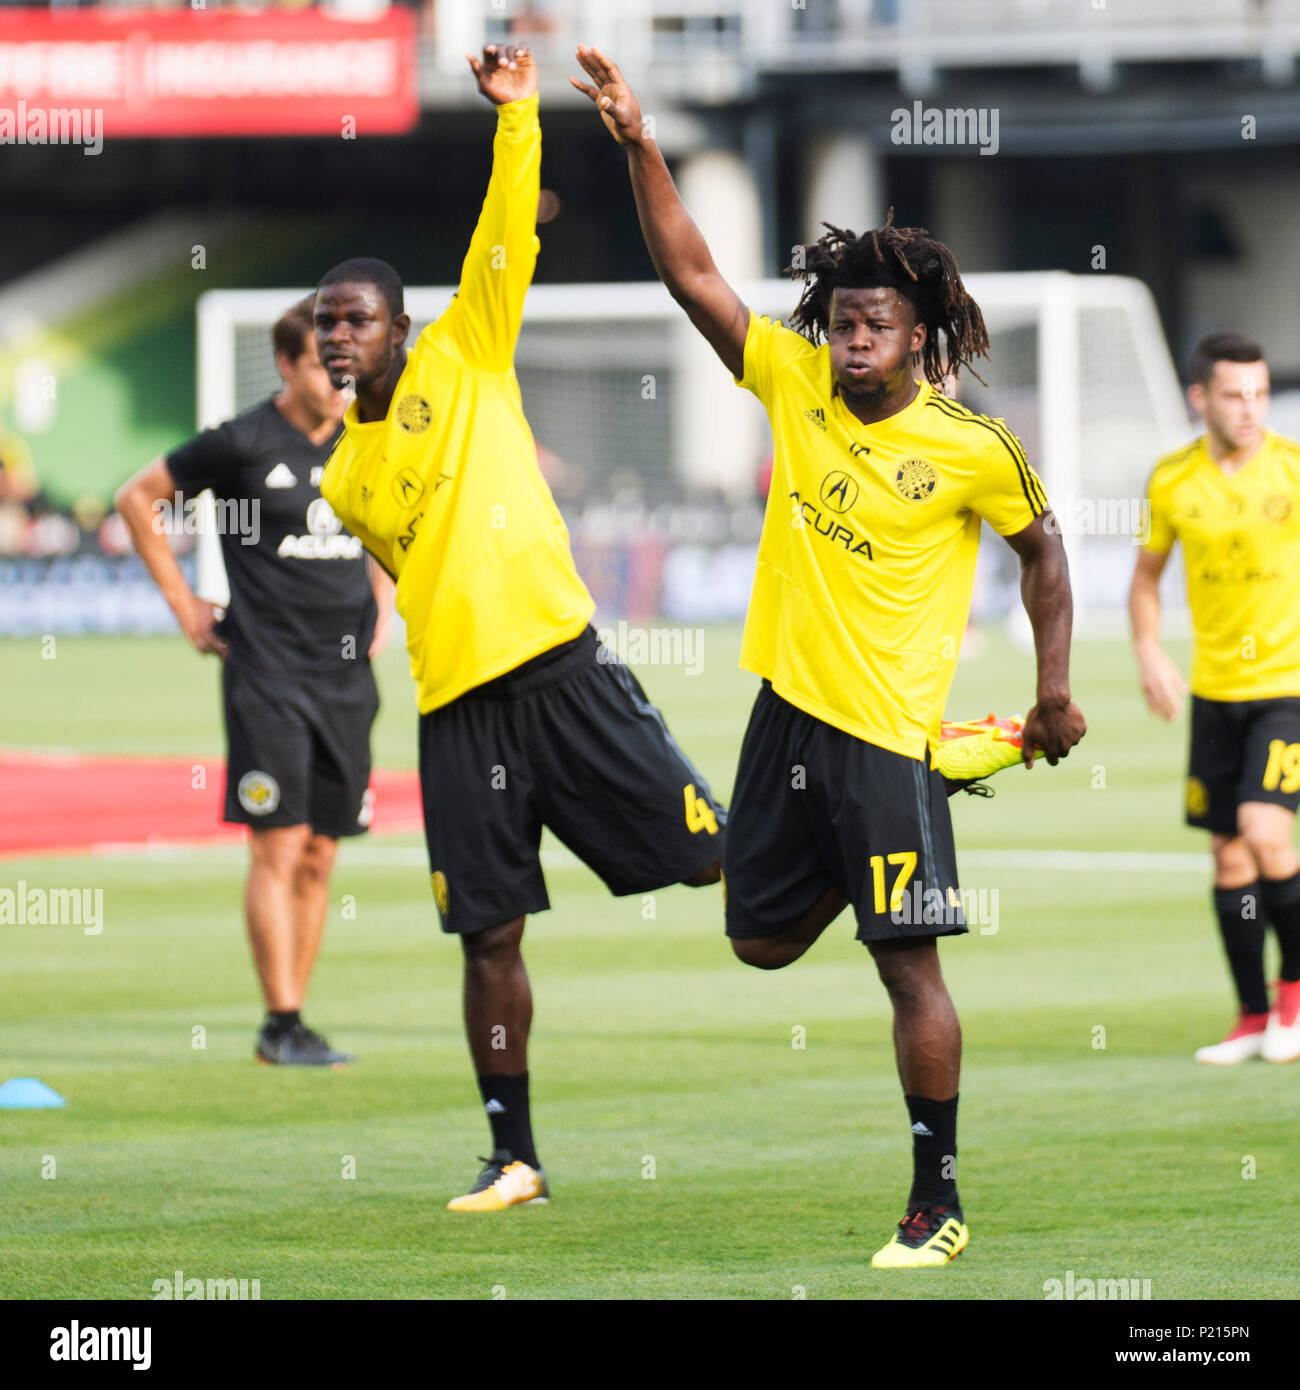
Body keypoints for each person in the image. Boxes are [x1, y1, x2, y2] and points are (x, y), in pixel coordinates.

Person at [573, 44, 1085, 1269]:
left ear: (920, 336)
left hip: (880, 731)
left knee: (903, 966)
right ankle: (959, 765)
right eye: (844, 318)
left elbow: (1047, 555)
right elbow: (694, 274)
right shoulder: (792, 379)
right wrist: (640, 140)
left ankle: (936, 1199)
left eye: (878, 322)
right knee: (756, 940)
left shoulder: (970, 446)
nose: (855, 335)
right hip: (786, 714)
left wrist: (1052, 690)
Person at [315, 43, 725, 1212]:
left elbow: (505, 227)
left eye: (358, 319)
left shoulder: (468, 346)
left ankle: (856, 814)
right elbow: (410, 569)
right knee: (485, 936)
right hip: (457, 714)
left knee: (710, 860)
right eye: (326, 324)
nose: (340, 336)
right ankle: (514, 1155)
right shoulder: (345, 478)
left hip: (562, 672)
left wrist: (515, 116)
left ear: (400, 327)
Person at [115, 296, 392, 1066]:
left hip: (347, 682)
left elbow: (394, 523)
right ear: (284, 365)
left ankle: (295, 1023)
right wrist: (183, 604)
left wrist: (385, 605)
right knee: (279, 844)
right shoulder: (241, 444)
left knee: (320, 854)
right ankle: (281, 1019)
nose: (339, 378)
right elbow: (137, 498)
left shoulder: (367, 438)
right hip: (266, 674)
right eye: (321, 363)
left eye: (345, 364)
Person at [1130, 330, 1300, 1066]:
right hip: (1215, 693)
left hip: (1287, 689)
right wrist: (1148, 651)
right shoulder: (1172, 480)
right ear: (1200, 398)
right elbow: (1145, 580)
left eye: (1260, 392)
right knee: (1229, 859)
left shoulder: (1293, 471)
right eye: (1235, 394)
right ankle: (1250, 1017)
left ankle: (1294, 998)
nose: (1251, 407)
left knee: (1266, 833)